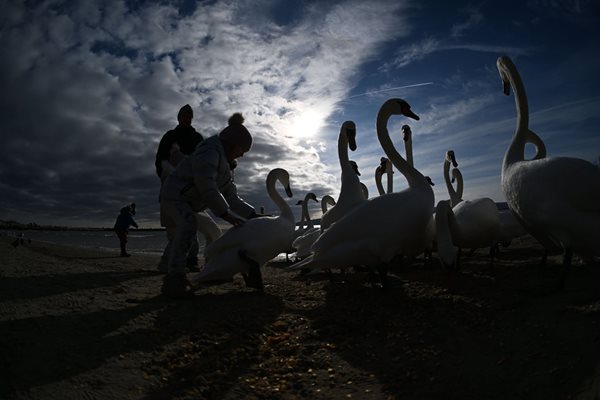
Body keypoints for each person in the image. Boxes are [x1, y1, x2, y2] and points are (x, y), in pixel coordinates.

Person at [159, 112, 260, 298]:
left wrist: (253, 216)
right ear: (233, 143)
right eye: (242, 149)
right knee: (187, 226)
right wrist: (225, 214)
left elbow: (232, 197)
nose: (243, 154)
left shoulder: (226, 168)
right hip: (174, 196)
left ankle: (212, 270)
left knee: (194, 228)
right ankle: (174, 278)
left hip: (189, 202)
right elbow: (206, 184)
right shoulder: (209, 152)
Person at [155, 104, 207, 272]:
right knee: (173, 227)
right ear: (179, 117)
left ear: (192, 118)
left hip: (192, 189)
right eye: (184, 115)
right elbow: (161, 161)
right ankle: (173, 261)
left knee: (190, 223)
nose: (186, 118)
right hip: (171, 186)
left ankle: (190, 260)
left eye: (189, 116)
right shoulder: (170, 136)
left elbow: (204, 161)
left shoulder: (198, 138)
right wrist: (170, 178)